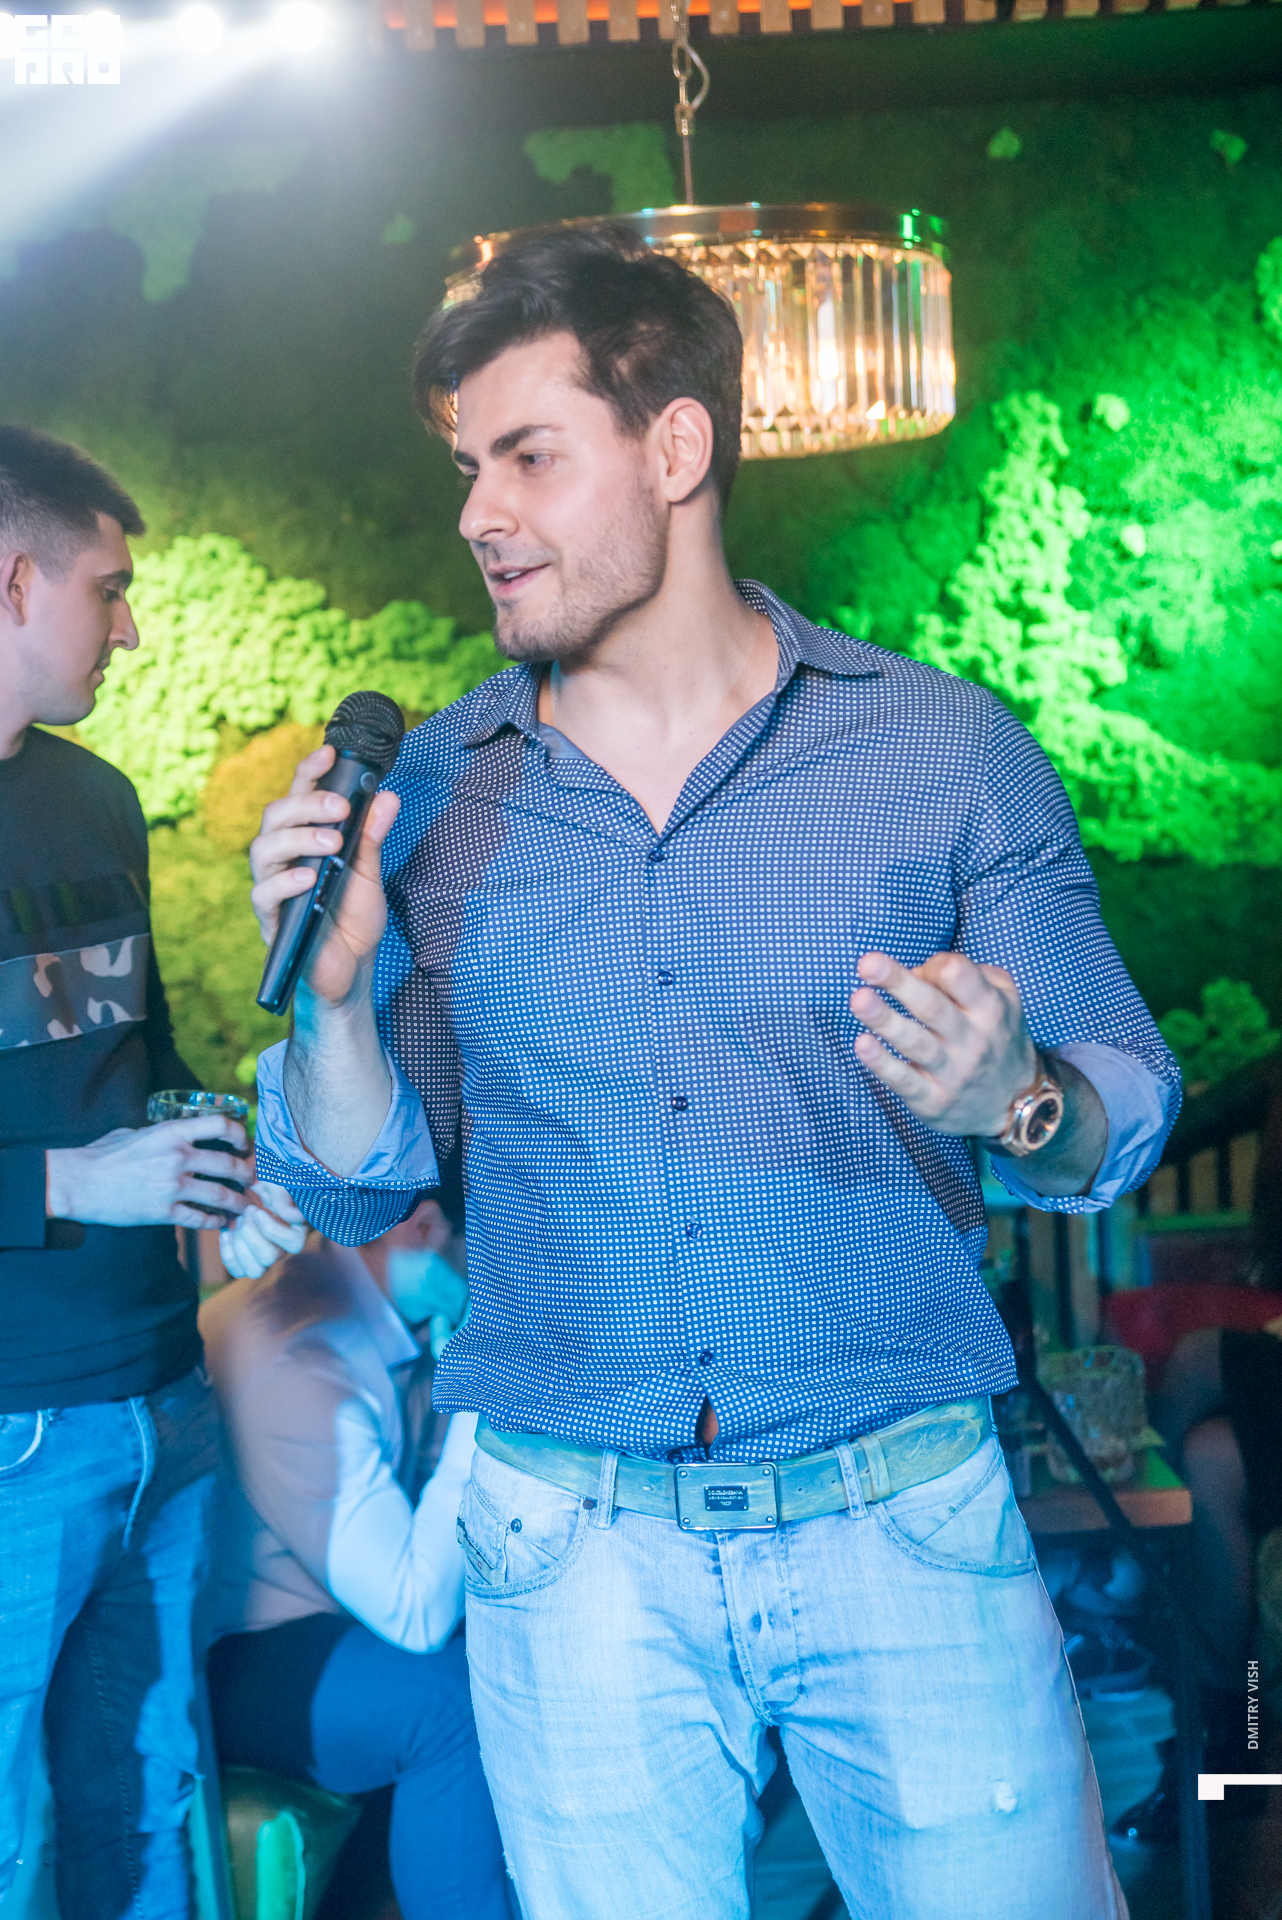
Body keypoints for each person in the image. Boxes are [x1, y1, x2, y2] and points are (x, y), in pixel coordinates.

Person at [247, 227, 1181, 1920]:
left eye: (529, 458)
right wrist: (330, 1005)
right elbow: (353, 1186)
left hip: (900, 1522)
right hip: (568, 1551)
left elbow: (1117, 1110)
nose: (478, 513)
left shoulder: (939, 750)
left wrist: (1016, 1097)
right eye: (467, 470)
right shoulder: (434, 790)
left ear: (674, 448)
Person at [0, 424, 301, 1919]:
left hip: (164, 1408)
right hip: (12, 1440)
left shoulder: (97, 798)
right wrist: (70, 1185)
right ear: (13, 581)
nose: (130, 629)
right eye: (107, 591)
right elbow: (87, 1152)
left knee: (151, 1828)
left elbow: (143, 1058)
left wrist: (224, 1167)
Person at [201, 1193, 512, 1920]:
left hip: (324, 1616)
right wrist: (488, 1387)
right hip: (234, 1651)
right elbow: (415, 1613)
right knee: (450, 1705)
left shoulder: (385, 1316)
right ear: (425, 1226)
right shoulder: (299, 1351)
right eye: (502, 1256)